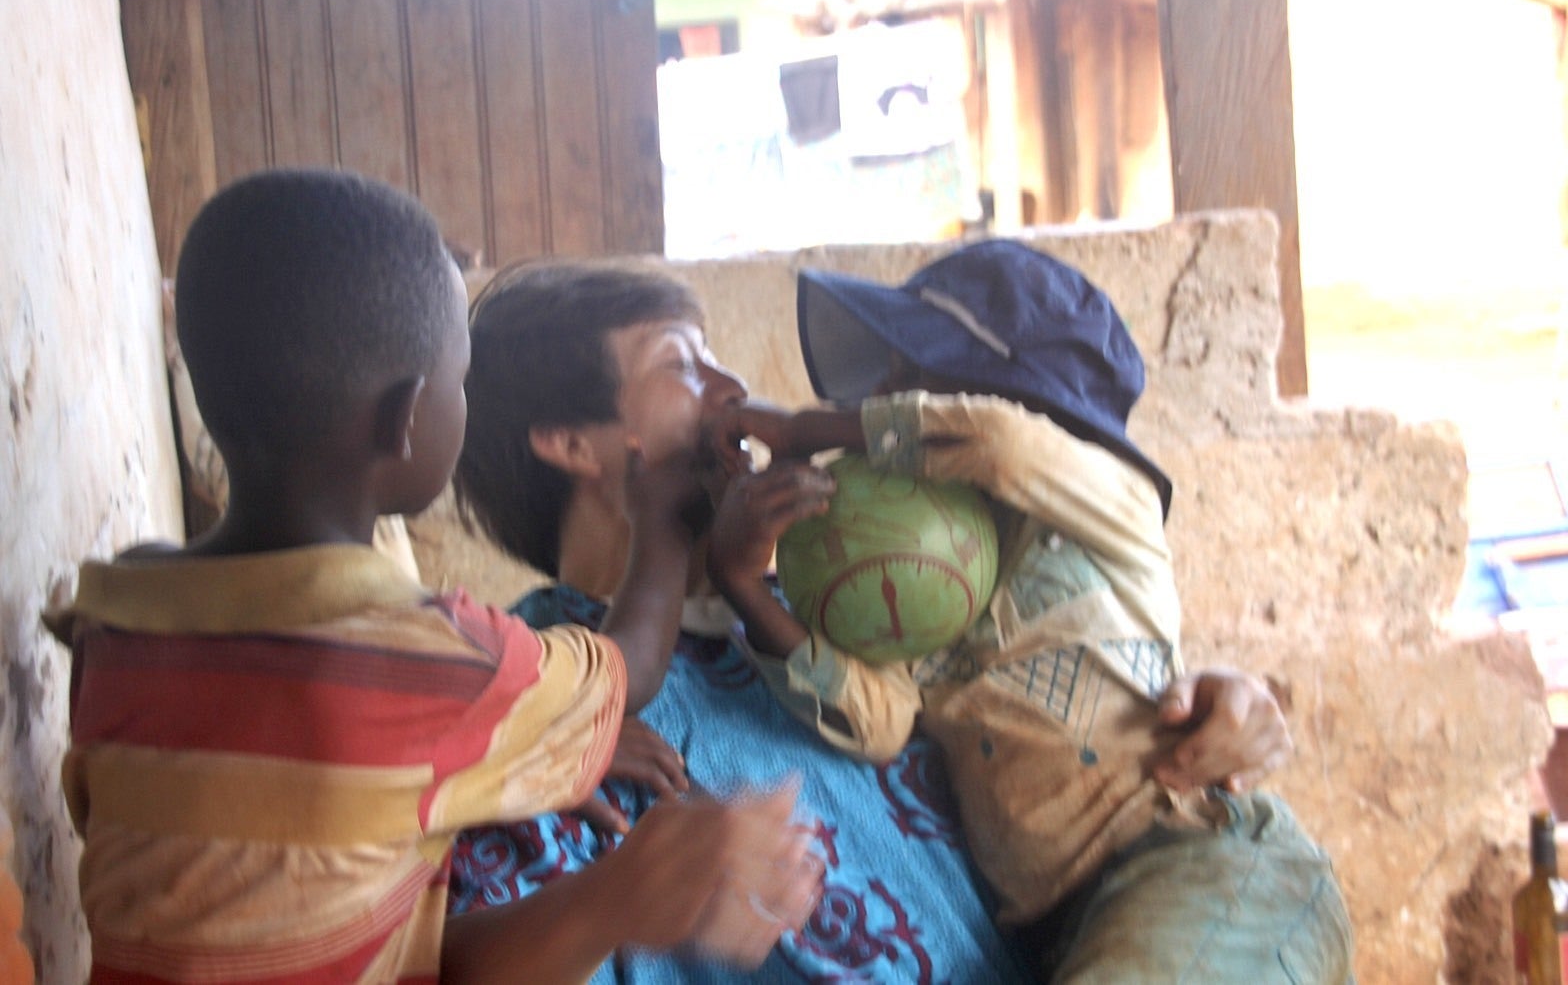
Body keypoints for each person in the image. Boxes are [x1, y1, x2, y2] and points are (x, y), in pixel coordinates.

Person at [46, 168, 821, 984]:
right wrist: (660, 527)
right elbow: (625, 672)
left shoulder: (120, 615)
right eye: (460, 379)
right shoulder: (435, 658)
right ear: (405, 418)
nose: (728, 388)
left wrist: (533, 750)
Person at [709, 239, 1355, 982]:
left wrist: (807, 431)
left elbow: (998, 443)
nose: (886, 391)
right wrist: (743, 583)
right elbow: (879, 720)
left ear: (1015, 394)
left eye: (914, 370)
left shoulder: (1114, 507)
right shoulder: (924, 584)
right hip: (1069, 925)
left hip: (1203, 866)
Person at [449, 260, 1033, 982]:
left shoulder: (839, 612)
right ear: (570, 444)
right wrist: (606, 900)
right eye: (679, 363)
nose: (730, 387)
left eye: (713, 355)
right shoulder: (531, 698)